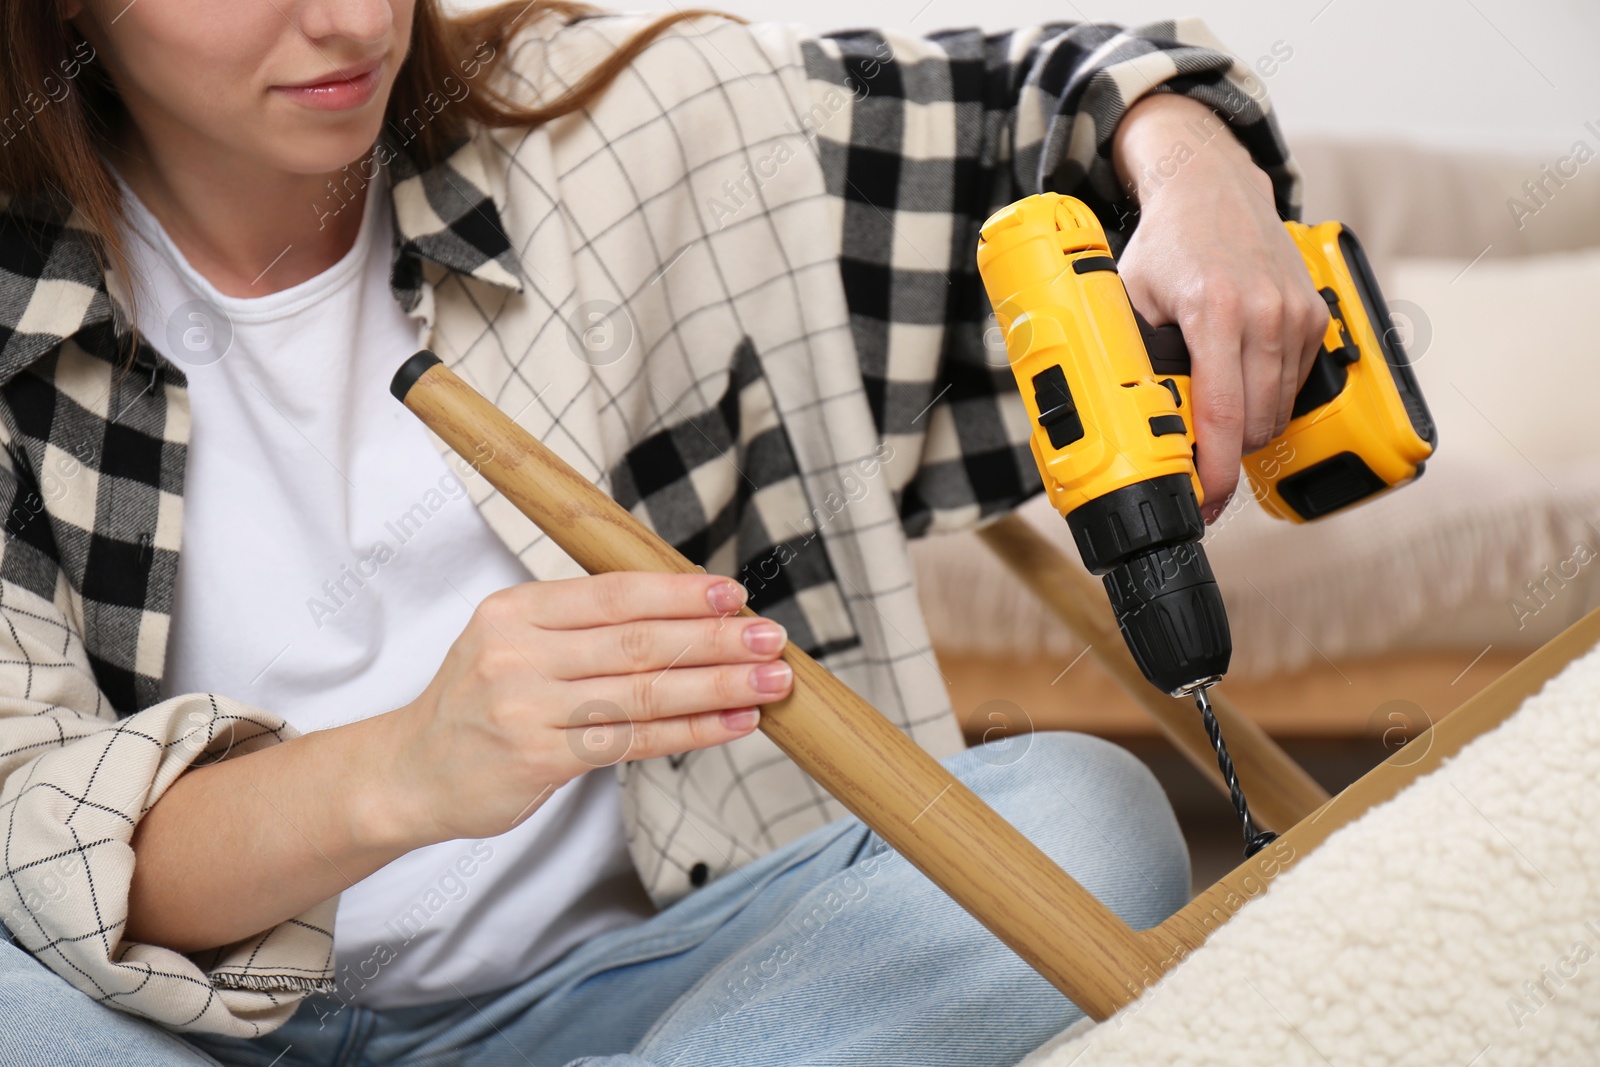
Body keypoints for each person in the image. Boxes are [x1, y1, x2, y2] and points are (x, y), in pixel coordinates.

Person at [0, 0, 1328, 1063]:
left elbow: (1067, 87)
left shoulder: (642, 129)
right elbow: (36, 847)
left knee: (1084, 819)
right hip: (196, 1032)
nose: (352, 22)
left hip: (671, 989)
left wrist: (1202, 179)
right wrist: (406, 769)